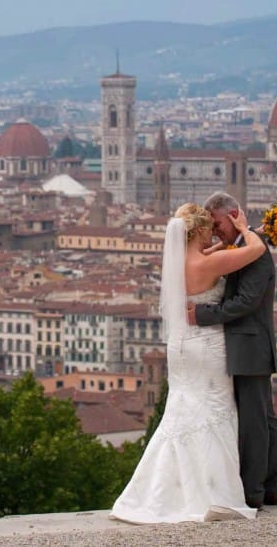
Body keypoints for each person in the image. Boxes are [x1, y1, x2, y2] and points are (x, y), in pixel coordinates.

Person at [110, 202, 266, 524]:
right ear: (197, 231)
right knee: (214, 411)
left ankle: (156, 493)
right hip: (207, 345)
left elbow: (213, 255)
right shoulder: (209, 264)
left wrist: (226, 242)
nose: (213, 234)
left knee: (180, 412)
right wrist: (245, 229)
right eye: (209, 228)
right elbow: (257, 250)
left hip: (180, 348)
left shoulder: (183, 262)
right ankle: (213, 492)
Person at [189, 191, 277, 509]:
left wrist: (203, 315)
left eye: (217, 223)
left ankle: (254, 491)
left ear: (233, 215)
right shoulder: (242, 246)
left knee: (255, 421)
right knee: (264, 418)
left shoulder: (254, 248)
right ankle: (270, 485)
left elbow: (245, 302)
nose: (215, 230)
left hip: (250, 345)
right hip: (249, 345)